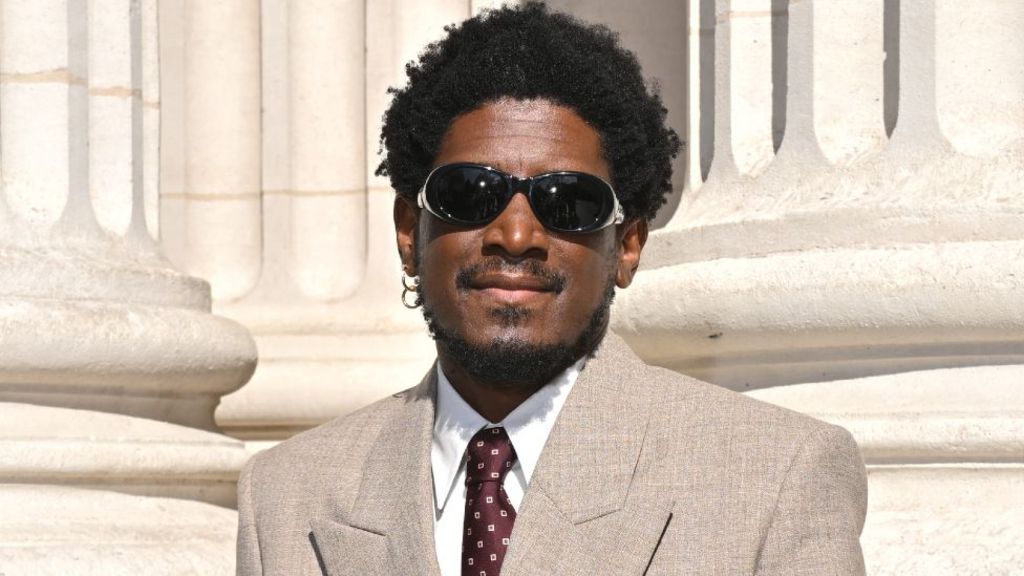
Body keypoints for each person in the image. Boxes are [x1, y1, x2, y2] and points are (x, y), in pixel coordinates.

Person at [235, 3, 867, 575]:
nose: (515, 234)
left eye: (569, 202)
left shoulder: (777, 476)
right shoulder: (285, 496)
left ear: (627, 246)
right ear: (409, 232)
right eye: (470, 194)